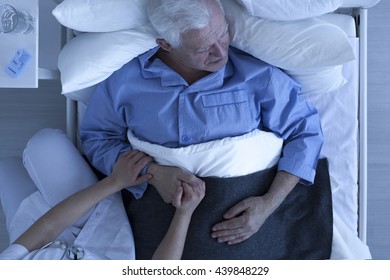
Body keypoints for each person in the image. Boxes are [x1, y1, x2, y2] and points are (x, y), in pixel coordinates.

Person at [80, 0, 323, 246]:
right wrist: (152, 173)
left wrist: (268, 203)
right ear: (165, 44)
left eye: (222, 33)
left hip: (257, 215)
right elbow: (98, 139)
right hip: (158, 220)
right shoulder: (124, 84)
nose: (221, 52)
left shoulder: (257, 76)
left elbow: (305, 132)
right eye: (203, 49)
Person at [0, 129, 204, 260]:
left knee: (7, 167)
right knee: (43, 143)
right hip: (101, 236)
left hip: (39, 240)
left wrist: (115, 182)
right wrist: (184, 214)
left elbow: (47, 227)